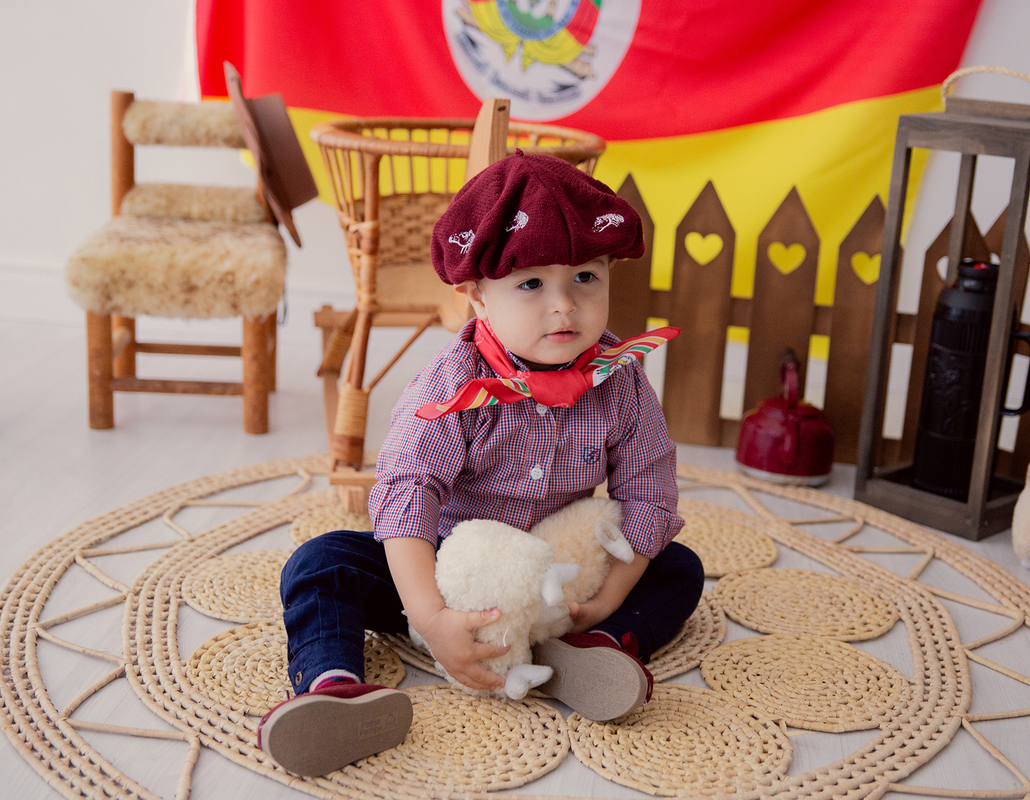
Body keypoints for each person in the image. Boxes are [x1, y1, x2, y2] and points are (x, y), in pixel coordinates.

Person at [258, 152, 704, 777]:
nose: (564, 307)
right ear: (475, 296)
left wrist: (603, 601)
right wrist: (431, 616)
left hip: (562, 577)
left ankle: (594, 647)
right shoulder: (454, 386)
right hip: (452, 572)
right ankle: (332, 686)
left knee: (680, 568)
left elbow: (649, 494)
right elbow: (407, 494)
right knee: (321, 561)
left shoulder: (621, 381)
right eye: (531, 284)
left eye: (585, 278)